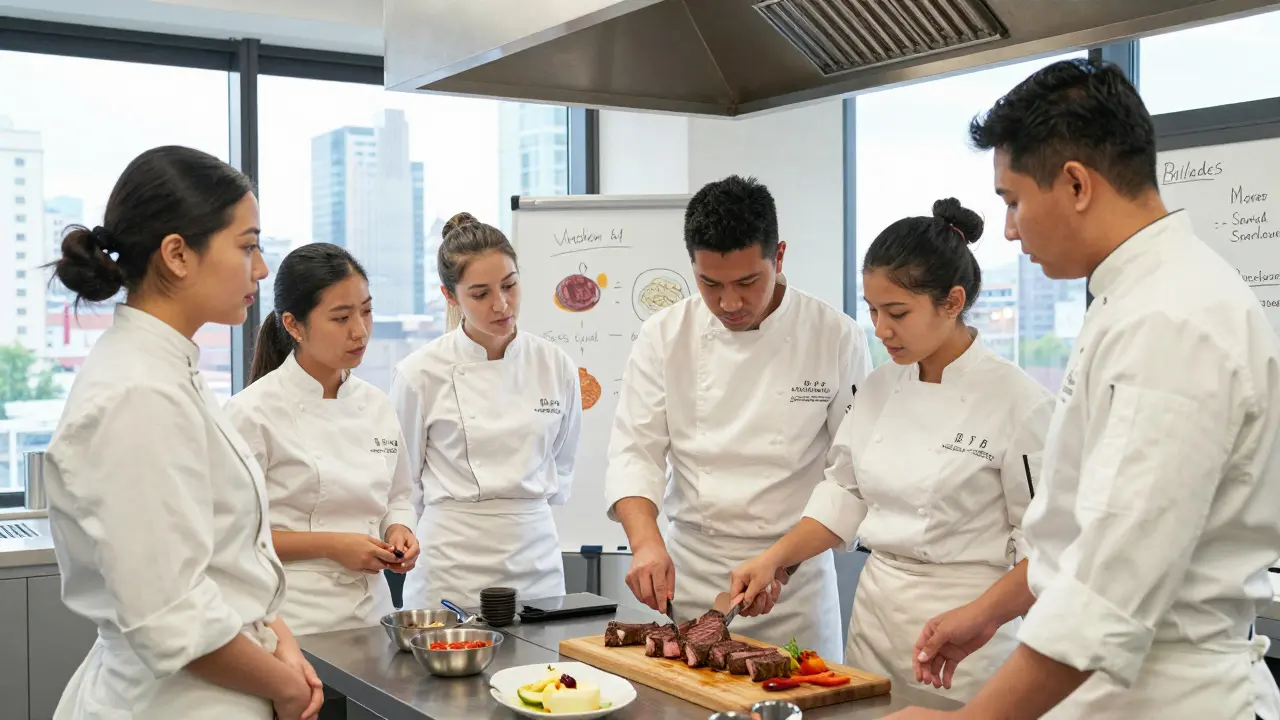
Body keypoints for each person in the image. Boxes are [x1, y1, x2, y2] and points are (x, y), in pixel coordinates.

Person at [889, 59, 1280, 720]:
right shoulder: (1133, 298)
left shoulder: (1172, 317)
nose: (1009, 229)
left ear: (1075, 183)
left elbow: (1109, 586)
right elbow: (1077, 531)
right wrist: (990, 611)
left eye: (1013, 201)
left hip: (1171, 698)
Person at [730, 198, 1053, 699]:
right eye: (873, 310)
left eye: (897, 313)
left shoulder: (1020, 403)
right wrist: (774, 559)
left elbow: (1048, 549)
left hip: (968, 638)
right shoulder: (879, 387)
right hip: (875, 623)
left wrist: (980, 616)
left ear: (952, 301)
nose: (880, 330)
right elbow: (844, 494)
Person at [42, 146, 323, 720]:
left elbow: (230, 559)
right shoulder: (136, 393)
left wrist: (281, 642)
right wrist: (287, 686)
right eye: (247, 246)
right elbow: (169, 614)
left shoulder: (169, 371)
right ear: (177, 255)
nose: (261, 268)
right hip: (175, 702)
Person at [604, 175, 871, 661]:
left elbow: (849, 476)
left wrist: (781, 564)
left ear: (779, 257)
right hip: (691, 577)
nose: (729, 303)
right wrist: (645, 544)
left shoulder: (835, 336)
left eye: (748, 282)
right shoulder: (664, 334)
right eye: (710, 284)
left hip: (795, 582)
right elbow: (635, 451)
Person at [224, 243, 419, 639]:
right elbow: (233, 536)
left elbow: (398, 496)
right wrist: (333, 545)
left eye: (366, 311)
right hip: (294, 620)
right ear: (294, 325)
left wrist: (399, 529)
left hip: (374, 615)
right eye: (341, 317)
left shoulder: (376, 404)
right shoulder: (251, 413)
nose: (359, 330)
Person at [391, 212, 582, 607]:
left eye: (509, 285)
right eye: (480, 294)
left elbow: (562, 462)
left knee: (543, 649)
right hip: (452, 561)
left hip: (536, 555)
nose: (501, 304)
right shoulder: (419, 373)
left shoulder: (555, 365)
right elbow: (403, 482)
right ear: (450, 297)